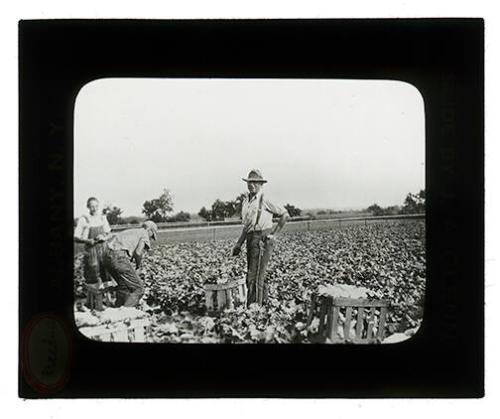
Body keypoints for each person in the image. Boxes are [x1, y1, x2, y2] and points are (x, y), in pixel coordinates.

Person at [232, 169, 289, 306]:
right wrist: (239, 244)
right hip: (251, 239)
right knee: (252, 274)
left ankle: (254, 310)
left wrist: (273, 234)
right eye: (250, 182)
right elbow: (247, 226)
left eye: (255, 182)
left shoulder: (265, 199)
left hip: (262, 238)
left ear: (260, 184)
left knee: (255, 276)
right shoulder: (246, 201)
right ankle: (262, 304)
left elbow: (285, 215)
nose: (252, 185)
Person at [102, 221, 158, 307]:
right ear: (149, 230)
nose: (151, 238)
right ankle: (125, 313)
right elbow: (138, 252)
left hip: (106, 256)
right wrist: (139, 266)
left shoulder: (132, 231)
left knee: (123, 286)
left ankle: (117, 308)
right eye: (152, 235)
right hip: (118, 256)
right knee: (139, 289)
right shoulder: (144, 234)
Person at [74, 197, 112, 286]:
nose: (94, 209)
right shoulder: (84, 219)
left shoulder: (102, 218)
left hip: (103, 249)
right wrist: (87, 240)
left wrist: (103, 236)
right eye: (92, 207)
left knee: (106, 273)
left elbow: (109, 233)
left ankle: (108, 298)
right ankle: (94, 297)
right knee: (93, 275)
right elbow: (76, 237)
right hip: (91, 251)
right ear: (88, 207)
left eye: (96, 206)